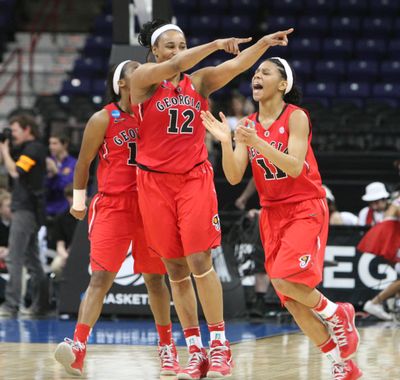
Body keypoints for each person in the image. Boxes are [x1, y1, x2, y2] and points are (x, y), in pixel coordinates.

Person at [130, 19, 293, 379]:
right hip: (153, 183)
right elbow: (174, 66)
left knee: (200, 259)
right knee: (174, 268)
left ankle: (219, 344)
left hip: (193, 180)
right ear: (155, 51)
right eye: (170, 45)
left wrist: (263, 43)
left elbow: (236, 66)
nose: (177, 51)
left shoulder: (199, 82)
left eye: (182, 43)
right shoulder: (142, 77)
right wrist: (216, 42)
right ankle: (195, 350)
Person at [200, 57, 362, 379]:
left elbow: (294, 166)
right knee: (290, 298)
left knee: (286, 278)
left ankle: (337, 312)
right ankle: (342, 365)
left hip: (304, 207)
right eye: (255, 73)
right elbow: (233, 178)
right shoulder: (247, 125)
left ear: (283, 84)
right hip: (272, 214)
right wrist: (225, 141)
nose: (256, 76)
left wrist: (256, 142)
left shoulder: (296, 117)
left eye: (265, 72)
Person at [54, 61, 173, 377]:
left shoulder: (157, 114)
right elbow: (84, 162)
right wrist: (79, 201)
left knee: (155, 279)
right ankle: (78, 347)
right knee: (100, 278)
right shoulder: (103, 118)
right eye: (137, 71)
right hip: (114, 205)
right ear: (122, 83)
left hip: (150, 204)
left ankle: (167, 346)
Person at [0, 114, 49, 317]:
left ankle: (11, 305)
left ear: (28, 129)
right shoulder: (23, 149)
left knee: (15, 257)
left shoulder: (34, 149)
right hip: (27, 209)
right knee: (32, 260)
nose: (13, 135)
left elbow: (16, 172)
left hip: (26, 209)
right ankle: (41, 305)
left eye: (16, 130)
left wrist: (4, 149)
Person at [45, 133, 77, 217]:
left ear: (64, 144)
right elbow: (44, 186)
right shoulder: (48, 162)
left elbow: (68, 187)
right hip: (47, 209)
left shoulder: (73, 163)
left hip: (65, 210)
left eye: (55, 143)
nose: (51, 147)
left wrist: (56, 172)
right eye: (50, 143)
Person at [50, 184, 77, 277]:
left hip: (89, 252)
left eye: (84, 195)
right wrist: (66, 257)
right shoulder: (60, 219)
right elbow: (60, 245)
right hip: (68, 253)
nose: (84, 198)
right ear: (69, 198)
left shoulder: (91, 216)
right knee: (56, 266)